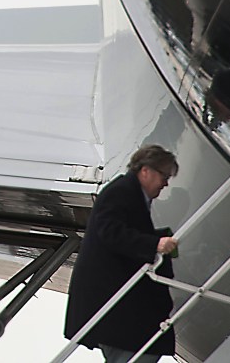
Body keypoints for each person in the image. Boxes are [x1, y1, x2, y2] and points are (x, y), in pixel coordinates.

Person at [64, 145, 179, 362]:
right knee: (139, 351)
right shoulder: (120, 192)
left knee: (142, 350)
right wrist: (155, 244)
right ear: (145, 171)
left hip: (119, 305)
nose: (165, 183)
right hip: (115, 303)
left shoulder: (128, 193)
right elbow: (110, 232)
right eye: (164, 176)